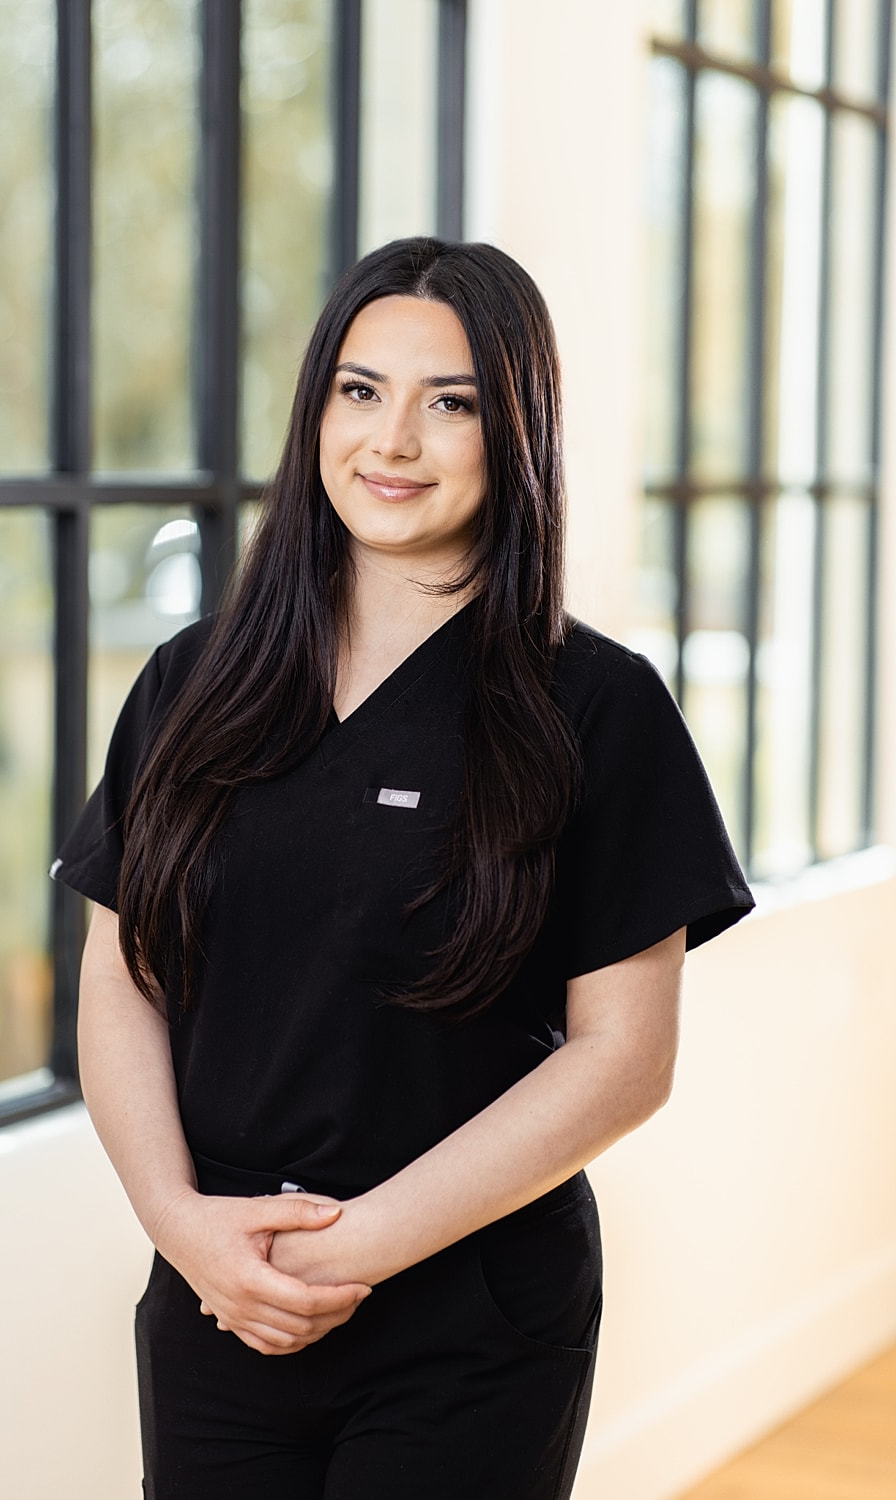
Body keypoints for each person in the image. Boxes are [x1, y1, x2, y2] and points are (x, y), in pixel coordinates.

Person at [53, 236, 754, 1500]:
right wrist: (176, 1221)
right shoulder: (193, 685)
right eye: (360, 390)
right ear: (316, 408)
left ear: (517, 432)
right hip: (219, 1297)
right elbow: (124, 972)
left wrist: (351, 1248)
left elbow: (624, 1059)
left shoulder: (597, 707)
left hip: (468, 1320)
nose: (394, 441)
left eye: (453, 403)